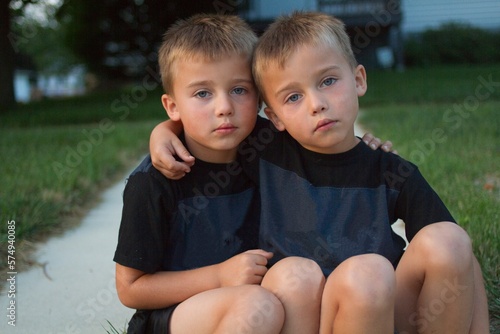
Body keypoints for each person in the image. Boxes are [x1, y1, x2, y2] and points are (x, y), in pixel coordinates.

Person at [149, 11, 490, 334]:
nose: (316, 103)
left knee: (447, 240)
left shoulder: (391, 170)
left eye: (328, 81)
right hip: (305, 311)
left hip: (383, 306)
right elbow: (207, 122)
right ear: (276, 117)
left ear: (358, 79)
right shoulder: (266, 150)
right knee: (336, 273)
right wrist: (164, 131)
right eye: (294, 96)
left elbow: (462, 261)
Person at [113, 14, 285, 334]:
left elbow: (325, 144)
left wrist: (370, 148)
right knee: (257, 305)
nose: (224, 107)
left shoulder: (271, 148)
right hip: (175, 315)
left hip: (256, 300)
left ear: (259, 96)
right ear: (172, 106)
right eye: (202, 93)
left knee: (296, 283)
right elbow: (130, 288)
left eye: (239, 89)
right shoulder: (152, 182)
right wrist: (219, 276)